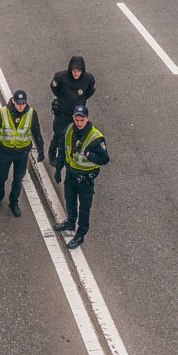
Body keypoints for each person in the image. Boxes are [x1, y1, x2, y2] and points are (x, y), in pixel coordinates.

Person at [53, 105, 109, 249]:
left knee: (84, 209)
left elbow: (105, 159)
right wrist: (58, 169)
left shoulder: (95, 137)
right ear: (73, 118)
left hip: (85, 180)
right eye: (77, 120)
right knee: (70, 201)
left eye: (82, 120)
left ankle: (80, 235)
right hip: (71, 175)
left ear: (87, 119)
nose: (79, 123)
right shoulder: (69, 130)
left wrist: (91, 155)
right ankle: (70, 223)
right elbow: (62, 149)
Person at [0, 90, 45, 217]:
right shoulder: (3, 113)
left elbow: (36, 133)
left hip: (22, 154)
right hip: (5, 152)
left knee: (18, 181)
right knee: (1, 178)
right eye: (18, 103)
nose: (21, 106)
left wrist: (41, 150)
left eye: (23, 103)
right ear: (13, 101)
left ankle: (14, 202)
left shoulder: (31, 114)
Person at [49, 55, 95, 164]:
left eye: (78, 71)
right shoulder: (60, 77)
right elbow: (54, 88)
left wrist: (81, 100)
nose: (76, 74)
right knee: (59, 135)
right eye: (74, 71)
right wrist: (63, 100)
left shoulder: (88, 79)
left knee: (77, 136)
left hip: (77, 115)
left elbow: (90, 91)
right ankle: (52, 154)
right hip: (62, 113)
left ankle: (72, 155)